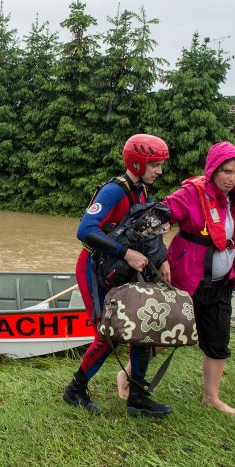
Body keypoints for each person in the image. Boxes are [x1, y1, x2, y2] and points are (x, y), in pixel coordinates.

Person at [63, 134, 173, 417]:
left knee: (140, 331)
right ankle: (75, 390)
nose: (160, 171)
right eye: (155, 165)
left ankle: (137, 397)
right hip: (95, 267)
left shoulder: (143, 192)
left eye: (161, 164)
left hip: (124, 269)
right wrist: (125, 252)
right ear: (136, 163)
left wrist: (161, 259)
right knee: (107, 335)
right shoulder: (114, 191)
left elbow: (147, 234)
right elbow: (85, 229)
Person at [161, 142, 235, 416]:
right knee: (163, 335)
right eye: (226, 171)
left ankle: (212, 397)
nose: (231, 178)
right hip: (186, 280)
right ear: (212, 170)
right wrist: (158, 249)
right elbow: (161, 216)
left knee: (218, 340)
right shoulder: (190, 193)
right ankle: (129, 379)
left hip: (222, 283)